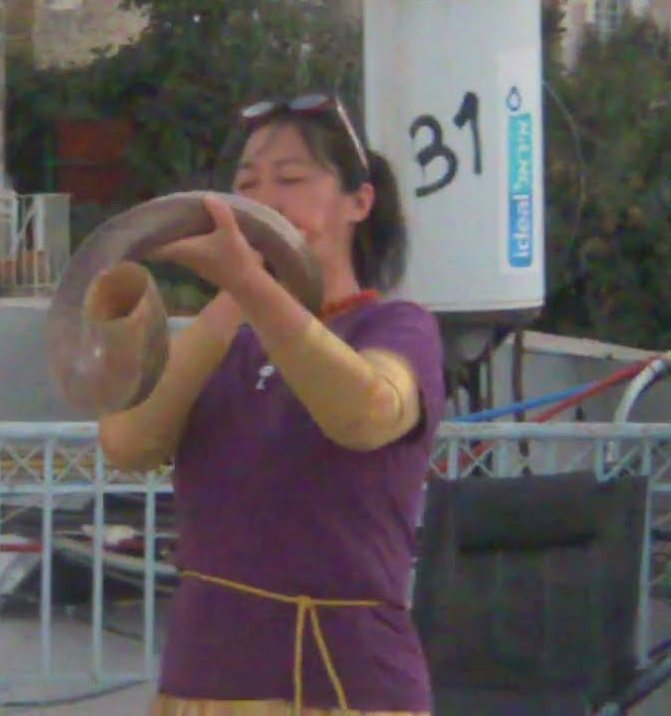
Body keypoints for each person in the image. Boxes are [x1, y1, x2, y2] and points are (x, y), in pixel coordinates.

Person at [96, 94, 444, 716]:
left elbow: (365, 412)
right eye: (247, 183)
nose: (263, 197)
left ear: (359, 202)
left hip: (337, 686)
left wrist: (252, 284)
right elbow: (129, 444)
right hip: (203, 680)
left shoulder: (395, 327)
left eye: (290, 179)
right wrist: (238, 291)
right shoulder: (222, 340)